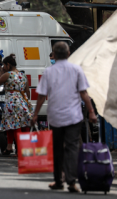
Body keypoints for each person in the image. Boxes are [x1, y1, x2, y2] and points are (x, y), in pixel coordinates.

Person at [31, 42, 97, 192]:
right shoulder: (76, 69)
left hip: (55, 117)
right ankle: (72, 181)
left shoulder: (48, 72)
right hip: (74, 117)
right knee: (72, 148)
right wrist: (91, 112)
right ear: (68, 54)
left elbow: (41, 96)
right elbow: (84, 93)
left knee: (57, 149)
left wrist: (35, 114)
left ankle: (58, 181)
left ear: (53, 55)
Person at [0, 54, 32, 155]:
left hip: (11, 103)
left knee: (14, 125)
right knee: (20, 124)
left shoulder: (8, 74)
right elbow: (27, 91)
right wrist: (26, 103)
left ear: (8, 64)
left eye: (4, 66)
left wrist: (1, 72)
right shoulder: (23, 75)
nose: (3, 68)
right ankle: (12, 147)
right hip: (22, 102)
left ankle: (19, 148)